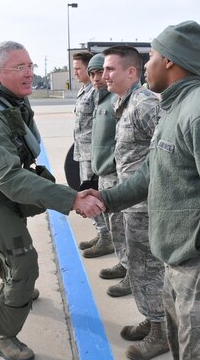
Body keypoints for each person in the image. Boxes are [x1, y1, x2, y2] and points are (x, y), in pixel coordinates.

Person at [90, 21, 200, 359]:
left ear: (169, 60)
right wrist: (105, 199)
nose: (147, 64)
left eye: (151, 55)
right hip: (177, 261)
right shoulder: (174, 108)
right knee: (184, 348)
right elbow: (149, 174)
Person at [0, 41, 104, 360]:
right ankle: (2, 336)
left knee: (12, 248)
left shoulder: (9, 101)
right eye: (19, 68)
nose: (29, 73)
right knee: (23, 259)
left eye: (30, 66)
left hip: (4, 190)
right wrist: (71, 198)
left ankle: (11, 287)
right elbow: (8, 176)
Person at [102, 46, 169, 358]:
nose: (104, 75)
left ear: (132, 72)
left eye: (111, 69)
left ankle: (161, 333)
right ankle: (153, 320)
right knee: (141, 270)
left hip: (146, 206)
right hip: (133, 203)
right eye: (104, 70)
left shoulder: (144, 105)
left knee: (148, 270)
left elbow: (170, 151)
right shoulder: (124, 103)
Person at [87, 53, 129, 283]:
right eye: (92, 73)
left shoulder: (118, 101)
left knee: (124, 227)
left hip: (117, 175)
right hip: (104, 172)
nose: (97, 78)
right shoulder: (101, 100)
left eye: (101, 72)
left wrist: (113, 165)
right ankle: (124, 263)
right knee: (115, 225)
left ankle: (131, 269)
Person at [72, 52, 115, 258]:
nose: (76, 72)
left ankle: (106, 236)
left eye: (78, 68)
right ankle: (101, 233)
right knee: (86, 192)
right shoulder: (85, 90)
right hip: (84, 151)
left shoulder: (99, 92)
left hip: (94, 153)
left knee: (92, 195)